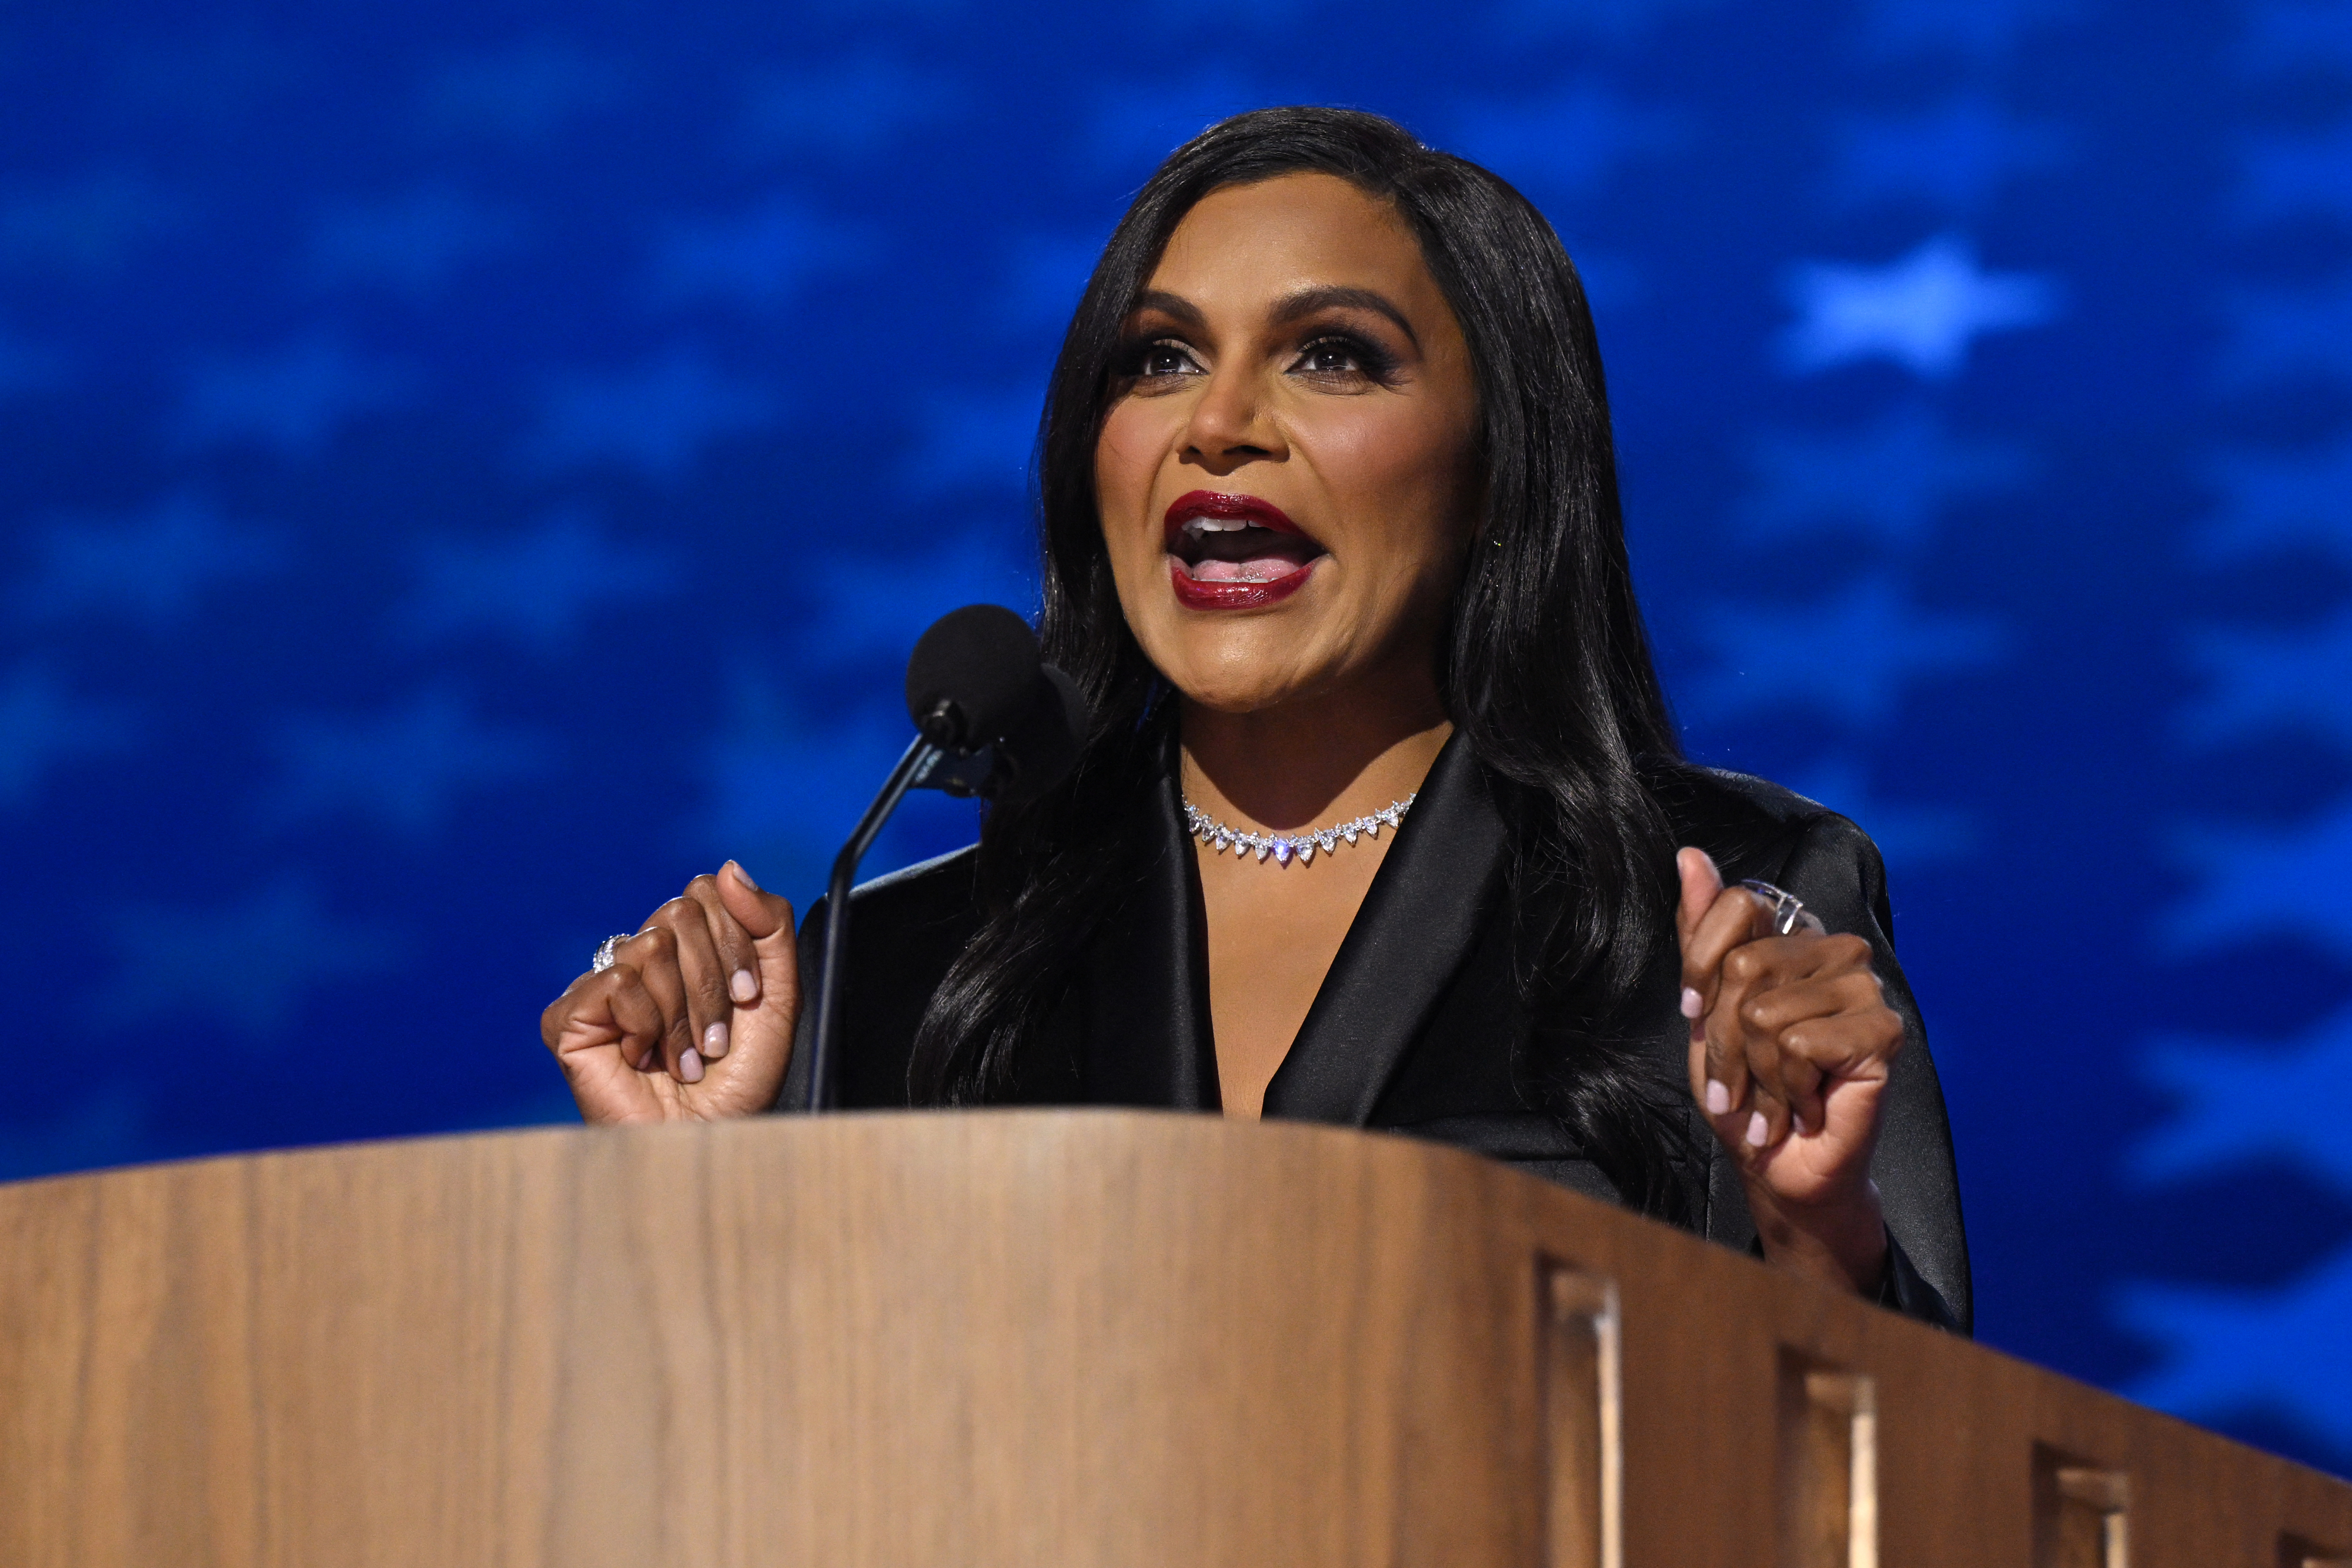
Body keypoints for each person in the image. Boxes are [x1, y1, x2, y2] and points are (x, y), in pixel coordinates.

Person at [542, 107, 1970, 1331]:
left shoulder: (1716, 910)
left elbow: (1913, 1489)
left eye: (1330, 355)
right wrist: (684, 1198)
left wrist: (1813, 1239)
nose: (1215, 422)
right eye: (1157, 360)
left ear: (1495, 467)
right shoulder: (898, 968)